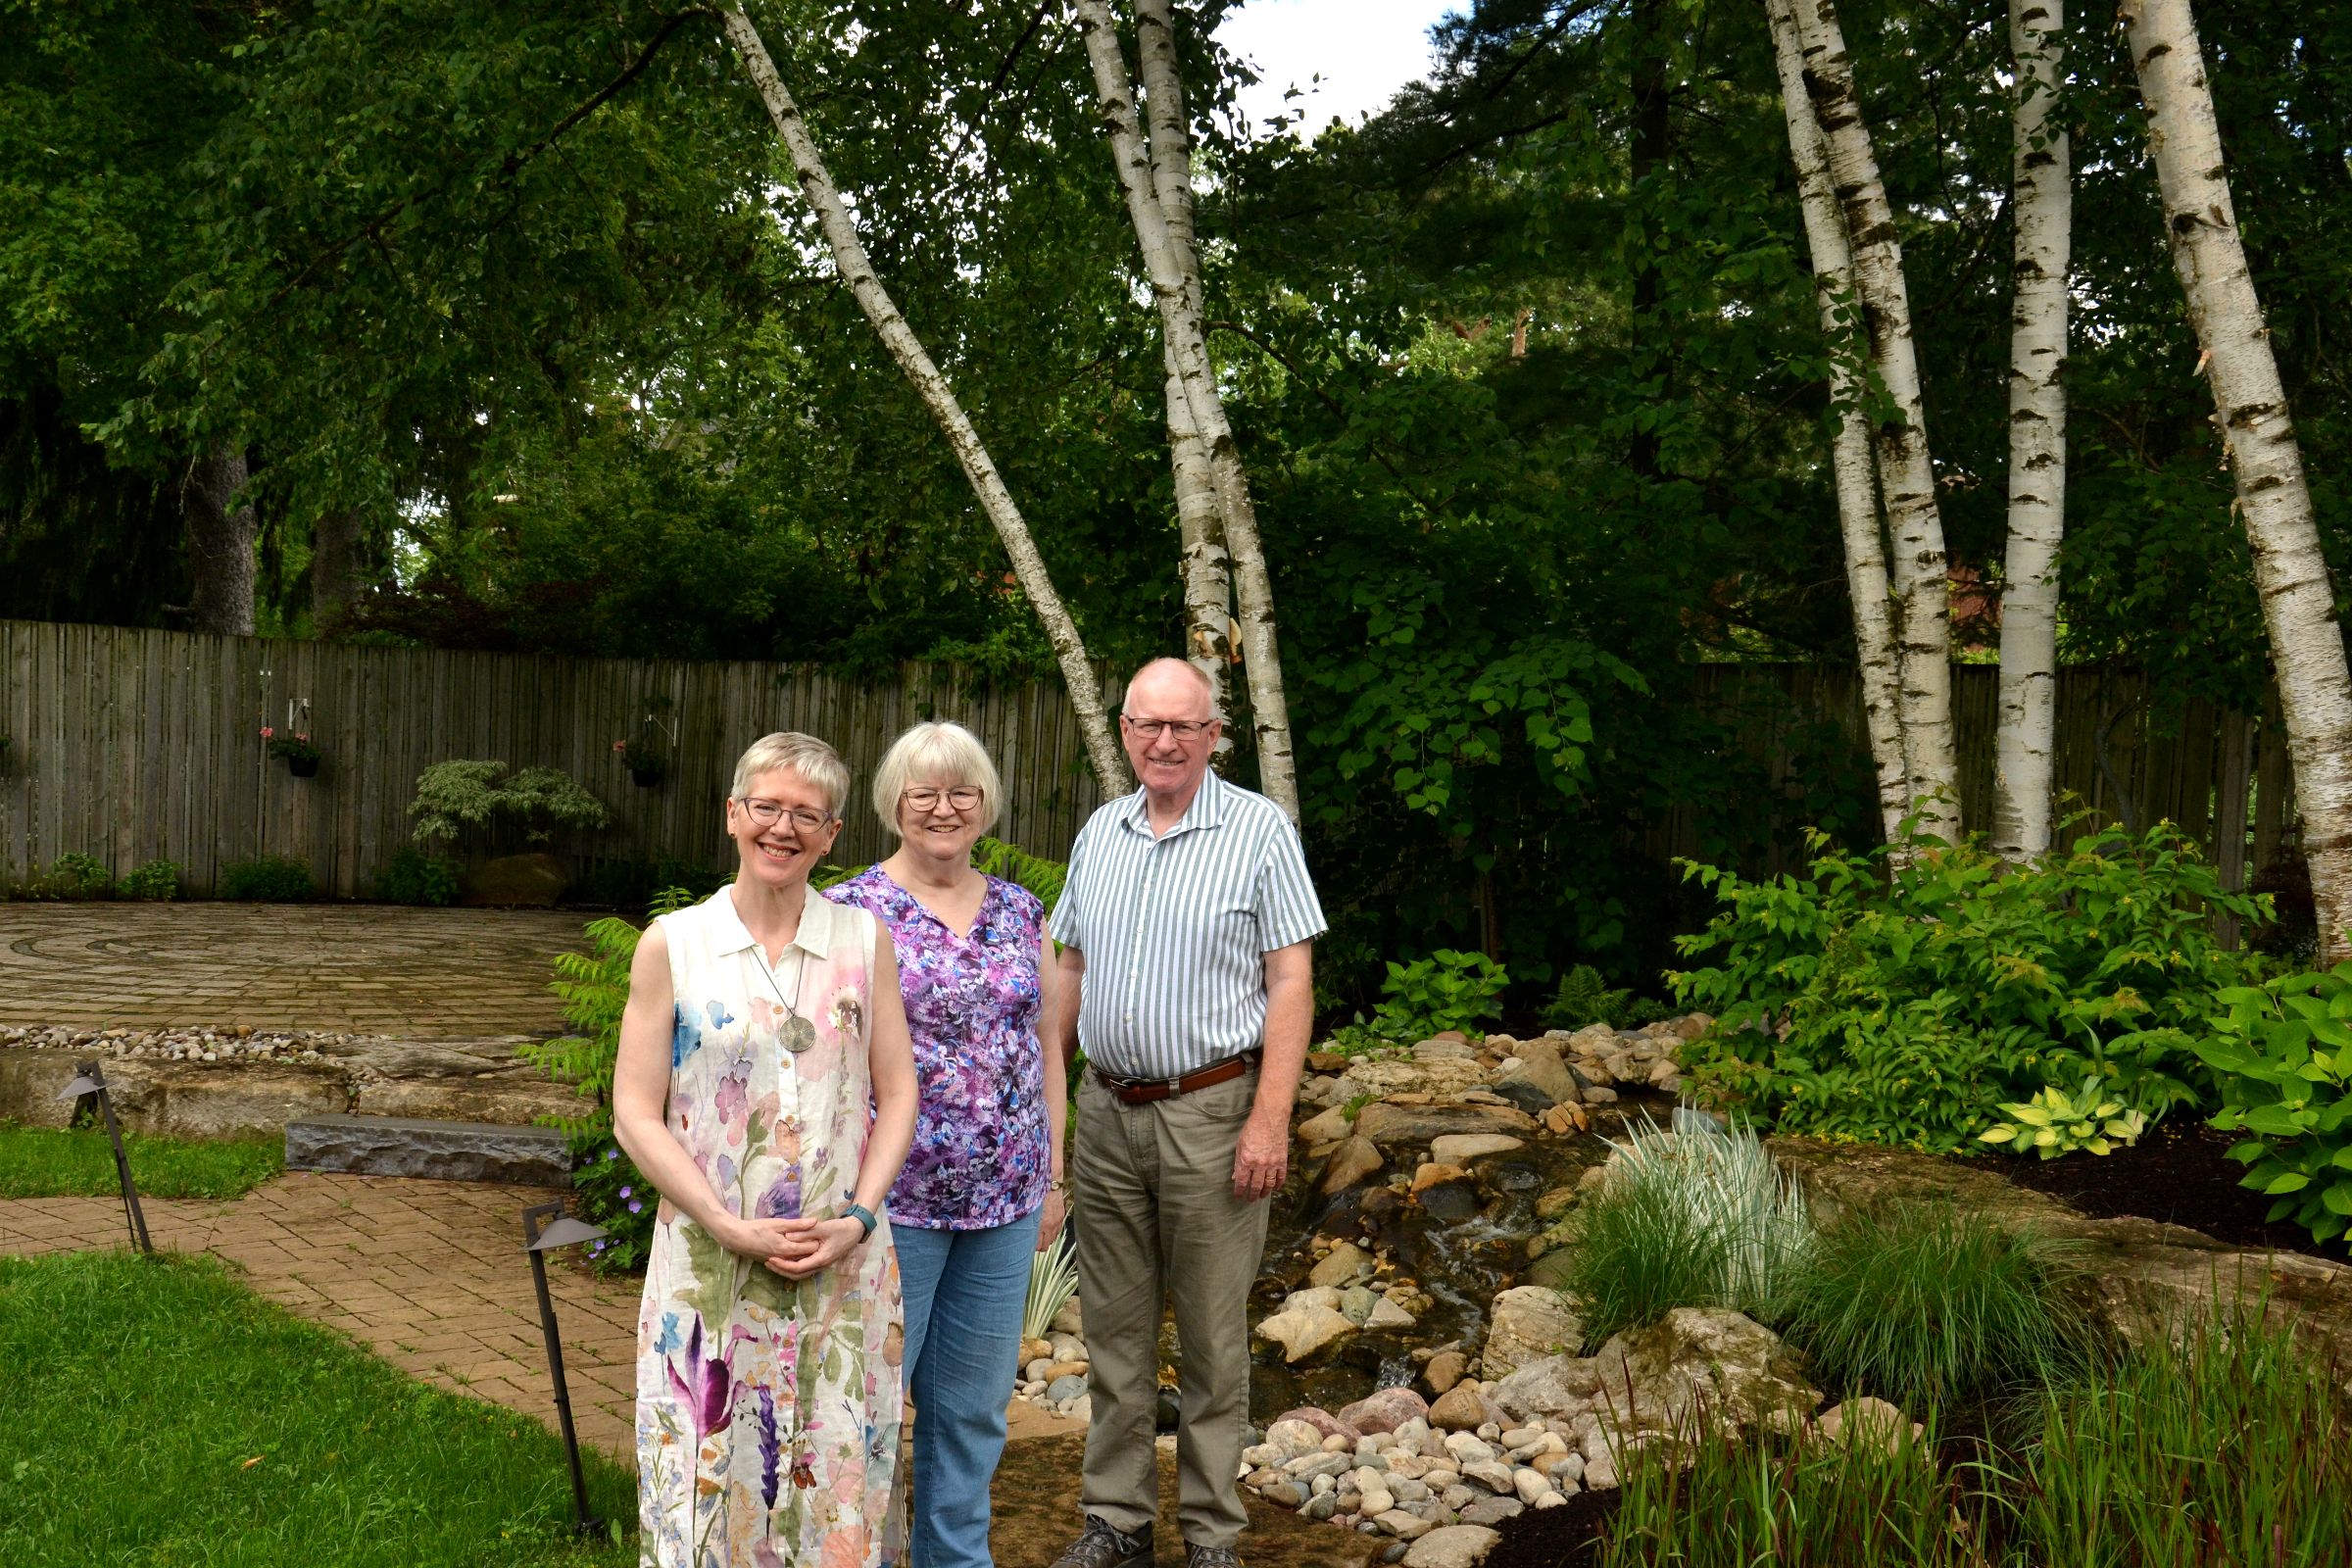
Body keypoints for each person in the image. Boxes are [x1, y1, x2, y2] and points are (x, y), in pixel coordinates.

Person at [614, 731, 919, 1568]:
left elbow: (899, 1095)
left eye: (806, 816)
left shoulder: (865, 944)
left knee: (838, 1479)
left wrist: (858, 1218)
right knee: (708, 1471)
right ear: (733, 816)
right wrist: (724, 1223)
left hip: (844, 1269)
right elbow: (636, 1113)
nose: (782, 829)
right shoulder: (672, 945)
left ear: (832, 835)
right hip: (711, 1266)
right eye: (767, 808)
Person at [1047, 660, 1326, 1568]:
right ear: (1124, 731)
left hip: (1212, 1113)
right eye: (1145, 725)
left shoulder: (1258, 831)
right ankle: (1116, 1522)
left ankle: (1211, 1534)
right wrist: (1047, 1091)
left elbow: (1291, 980)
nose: (1162, 741)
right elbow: (1071, 969)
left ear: (1214, 736)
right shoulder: (1102, 831)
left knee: (1211, 1338)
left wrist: (1270, 1120)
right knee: (1115, 1336)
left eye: (1182, 726)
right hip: (1108, 1112)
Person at [826, 720, 1067, 1568]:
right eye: (923, 791)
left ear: (985, 802)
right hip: (894, 1203)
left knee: (971, 1412)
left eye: (961, 790)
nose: (943, 807)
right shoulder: (852, 913)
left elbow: (1044, 1046)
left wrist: (1053, 1178)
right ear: (894, 803)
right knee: (873, 1405)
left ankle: (957, 1561)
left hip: (1004, 1201)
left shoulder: (1019, 910)